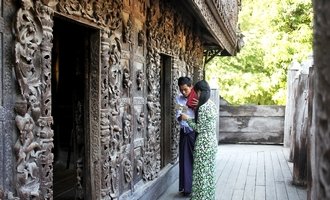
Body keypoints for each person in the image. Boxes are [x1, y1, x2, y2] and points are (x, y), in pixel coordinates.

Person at [180, 80, 218, 200]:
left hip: (203, 144)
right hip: (212, 142)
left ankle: (199, 197)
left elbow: (199, 128)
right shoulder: (211, 104)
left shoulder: (202, 107)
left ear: (199, 91)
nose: (194, 95)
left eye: (195, 92)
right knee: (209, 174)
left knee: (200, 175)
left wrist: (187, 119)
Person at [175, 76, 197, 196]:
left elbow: (199, 115)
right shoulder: (179, 99)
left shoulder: (197, 98)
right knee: (184, 160)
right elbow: (178, 115)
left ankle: (196, 186)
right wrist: (183, 113)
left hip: (195, 132)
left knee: (196, 160)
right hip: (184, 131)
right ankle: (186, 188)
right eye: (181, 90)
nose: (183, 92)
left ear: (191, 87)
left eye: (185, 90)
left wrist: (191, 109)